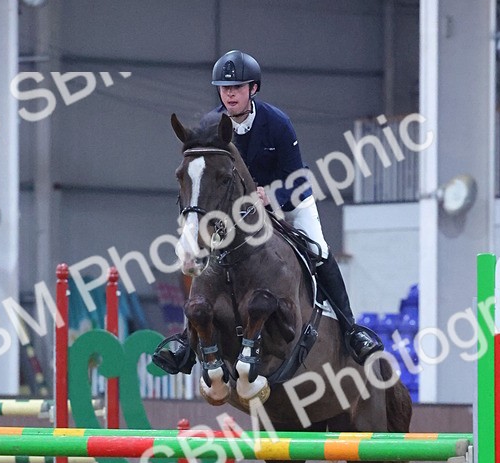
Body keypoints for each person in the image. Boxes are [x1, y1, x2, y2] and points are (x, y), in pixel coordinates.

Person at [153, 49, 383, 374]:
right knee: (204, 256)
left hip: (288, 199)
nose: (230, 94)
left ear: (253, 89)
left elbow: (296, 177)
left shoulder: (277, 123)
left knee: (318, 249)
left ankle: (351, 330)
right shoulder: (210, 125)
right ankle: (186, 340)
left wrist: (270, 195)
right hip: (238, 210)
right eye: (224, 88)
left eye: (237, 87)